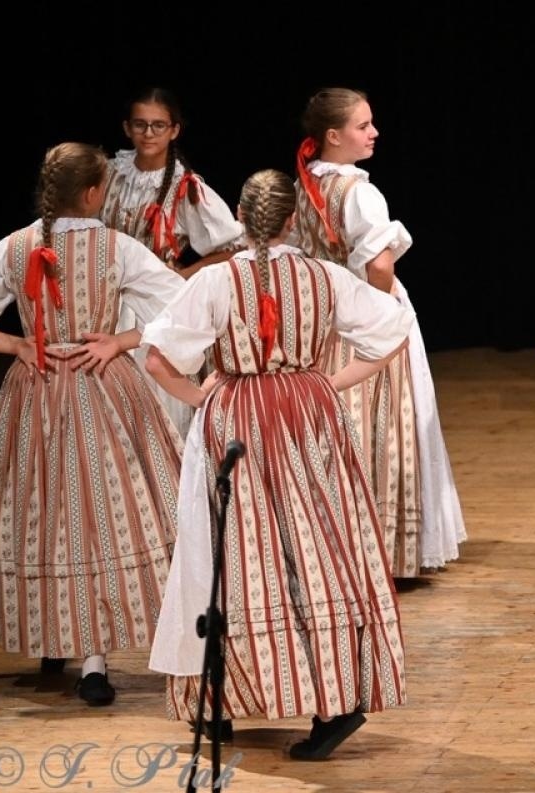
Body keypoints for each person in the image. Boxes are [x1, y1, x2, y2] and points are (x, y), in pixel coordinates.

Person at [143, 169, 414, 759]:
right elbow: (393, 330)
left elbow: (159, 358)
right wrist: (329, 383)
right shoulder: (323, 275)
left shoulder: (217, 281)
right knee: (319, 548)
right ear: (295, 220)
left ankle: (223, 697)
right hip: (308, 413)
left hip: (237, 414)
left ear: (240, 219)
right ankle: (333, 698)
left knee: (231, 552)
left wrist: (204, 398)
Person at [0, 142, 186, 706]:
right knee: (100, 518)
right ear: (94, 193)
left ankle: (60, 642)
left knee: (47, 512)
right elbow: (184, 306)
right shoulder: (117, 247)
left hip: (36, 391)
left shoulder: (14, 247)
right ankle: (90, 658)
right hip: (100, 388)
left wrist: (16, 343)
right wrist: (121, 340)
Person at [294, 88, 466, 575]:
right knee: (381, 422)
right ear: (333, 135)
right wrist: (379, 312)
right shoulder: (358, 190)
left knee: (340, 424)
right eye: (362, 125)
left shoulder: (308, 183)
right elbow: (379, 261)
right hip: (360, 313)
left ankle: (336, 544)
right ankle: (380, 549)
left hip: (323, 318)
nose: (373, 132)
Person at [101, 87, 245, 437]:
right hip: (105, 302)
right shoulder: (108, 174)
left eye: (158, 126)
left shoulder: (186, 186)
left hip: (155, 304)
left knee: (154, 403)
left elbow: (233, 246)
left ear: (174, 130)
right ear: (127, 128)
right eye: (140, 125)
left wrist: (184, 274)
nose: (148, 134)